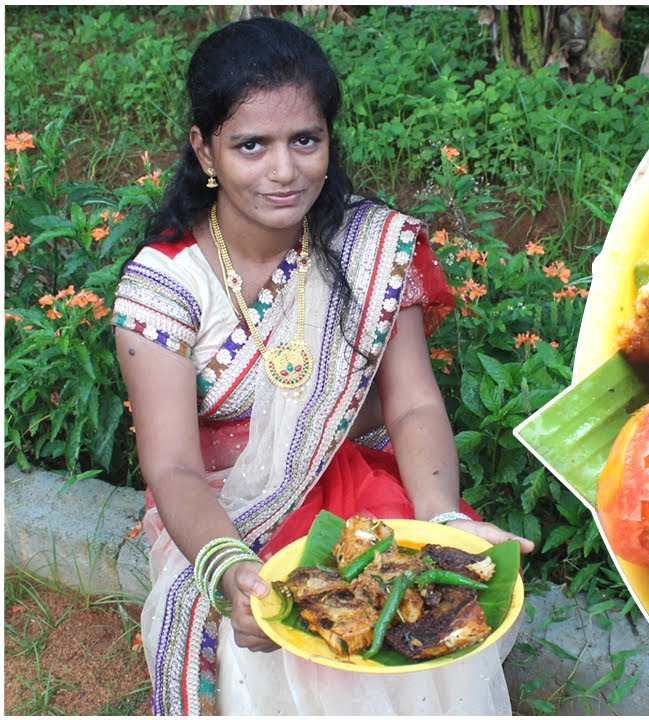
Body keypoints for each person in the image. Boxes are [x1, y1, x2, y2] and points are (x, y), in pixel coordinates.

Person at [113, 16, 533, 715]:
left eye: (305, 140)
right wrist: (232, 571)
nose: (284, 170)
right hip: (220, 506)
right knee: (276, 616)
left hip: (351, 477)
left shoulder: (369, 246)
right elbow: (174, 469)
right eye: (251, 145)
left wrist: (442, 523)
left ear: (329, 141)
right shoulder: (166, 287)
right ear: (205, 149)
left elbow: (413, 404)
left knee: (415, 590)